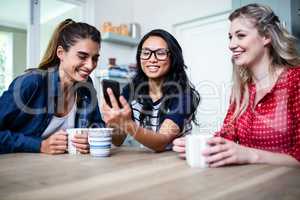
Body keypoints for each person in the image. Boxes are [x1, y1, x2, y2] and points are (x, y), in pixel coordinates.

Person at [173, 3, 300, 167]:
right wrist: (202, 146)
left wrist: (251, 155)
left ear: (266, 36)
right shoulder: (241, 89)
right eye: (230, 37)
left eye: (240, 35)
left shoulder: (295, 80)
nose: (231, 44)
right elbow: (227, 137)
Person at [0, 19, 104, 154]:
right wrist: (39, 145)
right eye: (82, 56)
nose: (90, 65)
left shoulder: (86, 86)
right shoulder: (31, 83)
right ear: (61, 53)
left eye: (95, 58)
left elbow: (97, 125)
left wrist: (91, 139)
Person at [101, 29, 200, 152]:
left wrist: (127, 124)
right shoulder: (130, 91)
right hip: (147, 163)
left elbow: (161, 143)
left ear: (173, 58)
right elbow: (118, 140)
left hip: (176, 163)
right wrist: (114, 122)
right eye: (146, 52)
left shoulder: (185, 96)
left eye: (161, 53)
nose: (152, 59)